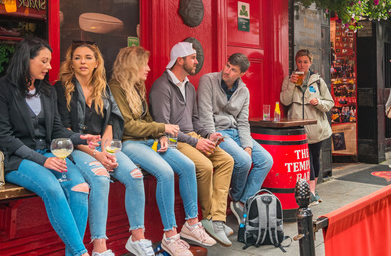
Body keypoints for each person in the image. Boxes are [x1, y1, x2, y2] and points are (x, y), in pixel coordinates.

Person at [0, 37, 101, 256]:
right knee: (52, 188)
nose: (49, 67)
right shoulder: (1, 89)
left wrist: (80, 137)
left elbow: (57, 129)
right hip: (15, 158)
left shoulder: (47, 91)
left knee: (79, 187)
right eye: (44, 61)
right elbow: (5, 137)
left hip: (46, 154)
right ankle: (80, 252)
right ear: (26, 60)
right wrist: (43, 160)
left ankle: (74, 253)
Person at [110, 46, 216, 256]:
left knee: (187, 165)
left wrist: (160, 137)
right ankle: (170, 235)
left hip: (149, 139)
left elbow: (147, 119)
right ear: (132, 66)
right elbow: (128, 127)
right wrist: (162, 129)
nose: (148, 68)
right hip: (130, 143)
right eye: (144, 64)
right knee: (165, 172)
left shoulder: (138, 86)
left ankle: (192, 224)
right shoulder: (116, 87)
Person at [55, 41, 151, 256]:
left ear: (97, 62)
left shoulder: (103, 86)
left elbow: (112, 120)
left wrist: (107, 151)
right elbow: (64, 128)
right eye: (77, 57)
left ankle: (137, 237)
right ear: (71, 62)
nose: (83, 61)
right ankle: (100, 246)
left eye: (88, 57)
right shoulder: (61, 88)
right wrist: (97, 154)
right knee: (100, 178)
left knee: (135, 175)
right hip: (77, 147)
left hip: (102, 145)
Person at [150, 42, 234, 246]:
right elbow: (165, 127)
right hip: (173, 140)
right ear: (180, 60)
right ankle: (209, 218)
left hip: (193, 136)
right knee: (205, 166)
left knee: (227, 160)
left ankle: (218, 219)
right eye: (193, 57)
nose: (197, 61)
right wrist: (195, 142)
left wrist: (207, 135)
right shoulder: (161, 87)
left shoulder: (189, 85)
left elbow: (195, 118)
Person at [198, 53, 273, 227]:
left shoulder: (244, 91)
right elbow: (205, 114)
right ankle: (237, 196)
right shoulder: (208, 81)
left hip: (237, 133)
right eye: (227, 66)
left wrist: (247, 145)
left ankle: (241, 203)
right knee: (245, 161)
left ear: (241, 74)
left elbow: (243, 121)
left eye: (233, 70)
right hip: (218, 132)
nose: (227, 71)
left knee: (266, 160)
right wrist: (211, 135)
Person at [280, 49, 334, 204]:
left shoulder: (317, 81)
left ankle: (312, 189)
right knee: (306, 159)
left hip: (316, 127)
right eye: (299, 62)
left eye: (305, 62)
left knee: (314, 158)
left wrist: (319, 103)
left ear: (310, 63)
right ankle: (309, 192)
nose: (302, 65)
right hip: (298, 128)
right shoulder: (289, 79)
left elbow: (329, 103)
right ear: (295, 62)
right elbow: (285, 100)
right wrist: (291, 84)